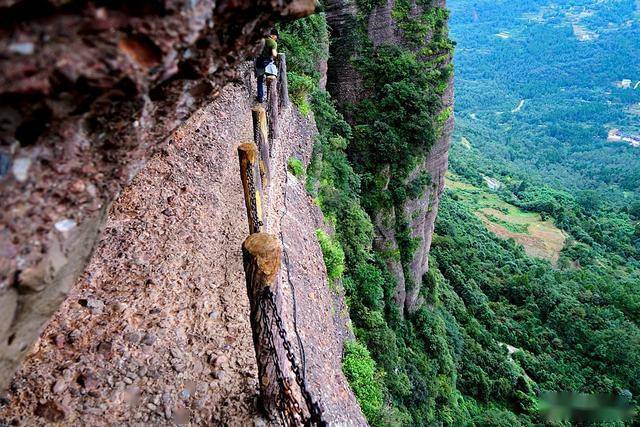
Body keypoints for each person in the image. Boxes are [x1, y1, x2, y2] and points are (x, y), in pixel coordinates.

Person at [255, 28, 279, 103]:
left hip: (258, 62)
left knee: (260, 81)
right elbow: (274, 54)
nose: (277, 38)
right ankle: (271, 75)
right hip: (267, 63)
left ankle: (260, 98)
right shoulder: (273, 43)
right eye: (276, 36)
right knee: (273, 73)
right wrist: (276, 55)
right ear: (273, 35)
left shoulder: (262, 39)